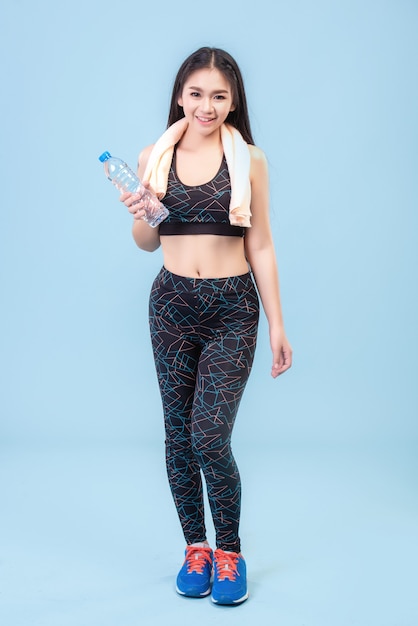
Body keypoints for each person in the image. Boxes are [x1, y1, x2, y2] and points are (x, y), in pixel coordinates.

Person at [120, 46, 292, 606]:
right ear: (180, 95)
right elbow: (149, 243)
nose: (207, 106)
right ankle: (196, 546)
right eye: (196, 94)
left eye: (219, 95)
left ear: (233, 99)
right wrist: (142, 210)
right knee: (177, 433)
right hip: (171, 303)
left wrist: (278, 325)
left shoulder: (251, 160)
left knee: (210, 436)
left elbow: (260, 243)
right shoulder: (155, 156)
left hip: (232, 307)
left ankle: (230, 552)